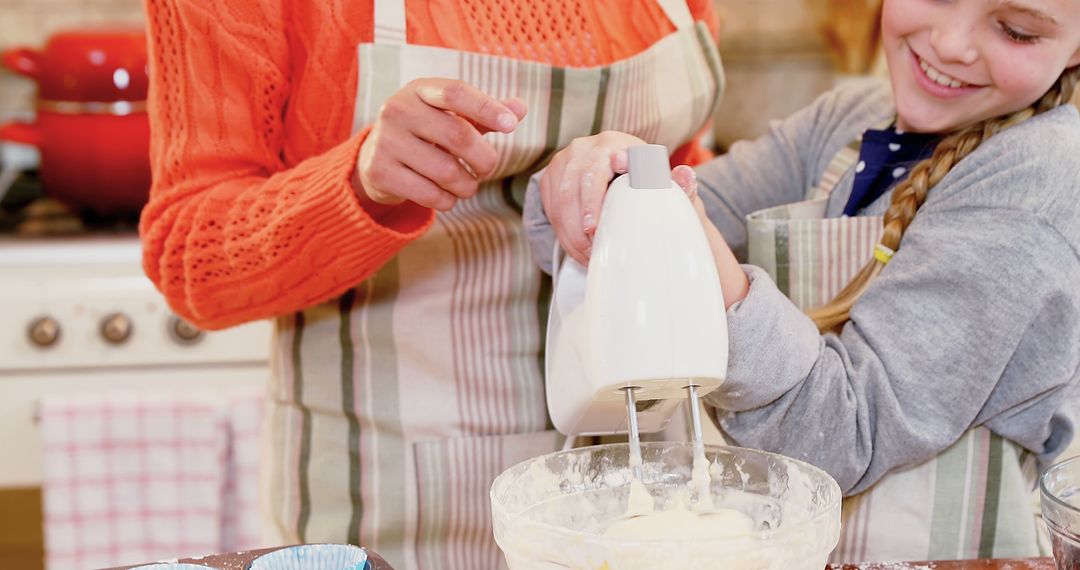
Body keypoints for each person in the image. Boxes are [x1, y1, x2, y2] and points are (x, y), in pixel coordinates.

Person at [139, 0, 722, 568]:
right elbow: (189, 257)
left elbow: (694, 179)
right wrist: (362, 182)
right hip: (392, 502)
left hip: (651, 480)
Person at [526, 0, 1080, 562]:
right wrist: (596, 184)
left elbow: (843, 438)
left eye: (1016, 31)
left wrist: (706, 263)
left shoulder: (1035, 182)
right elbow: (614, 248)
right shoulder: (845, 122)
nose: (953, 44)